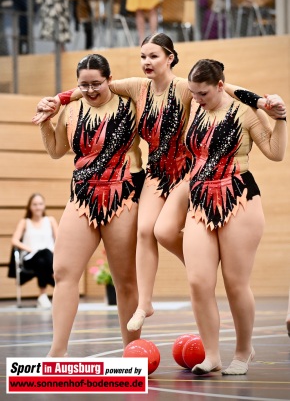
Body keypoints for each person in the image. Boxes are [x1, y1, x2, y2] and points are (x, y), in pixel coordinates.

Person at [33, 33, 286, 335]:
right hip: (155, 172)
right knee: (145, 229)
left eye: (153, 56)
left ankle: (200, 267)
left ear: (170, 57)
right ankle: (146, 303)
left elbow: (224, 87)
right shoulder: (136, 87)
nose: (146, 62)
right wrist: (58, 100)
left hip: (185, 172)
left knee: (164, 231)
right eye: (142, 56)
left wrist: (260, 101)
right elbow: (92, 87)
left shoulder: (184, 87)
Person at [33, 53, 145, 357]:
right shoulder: (70, 108)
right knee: (63, 271)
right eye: (84, 85)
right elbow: (57, 150)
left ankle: (131, 352)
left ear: (109, 79)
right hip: (82, 196)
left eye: (97, 83)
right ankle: (57, 352)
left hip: (123, 195)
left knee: (125, 280)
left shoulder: (130, 102)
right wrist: (45, 122)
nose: (91, 90)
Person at [182, 59, 287, 376]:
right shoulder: (198, 106)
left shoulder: (245, 111)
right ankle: (211, 354)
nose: (196, 99)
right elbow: (221, 88)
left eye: (202, 93)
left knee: (235, 283)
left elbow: (275, 152)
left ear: (218, 85)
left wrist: (280, 118)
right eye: (193, 93)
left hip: (238, 197)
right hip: (200, 198)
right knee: (198, 281)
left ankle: (243, 351)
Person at [10, 193, 57, 308]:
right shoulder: (25, 222)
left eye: (40, 204)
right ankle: (55, 282)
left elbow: (60, 240)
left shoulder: (50, 221)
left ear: (44, 206)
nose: (38, 207)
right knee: (43, 255)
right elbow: (14, 240)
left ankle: (42, 296)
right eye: (35, 204)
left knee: (44, 256)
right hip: (30, 258)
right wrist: (31, 249)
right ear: (30, 207)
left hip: (48, 258)